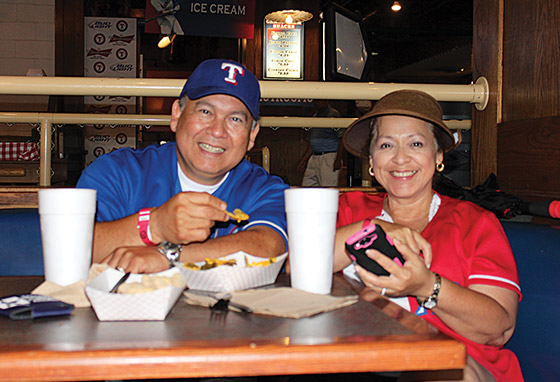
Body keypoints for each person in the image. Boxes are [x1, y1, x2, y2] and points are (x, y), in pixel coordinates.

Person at [334, 90, 522, 381]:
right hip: (356, 361)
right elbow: (296, 265)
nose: (400, 158)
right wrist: (374, 228)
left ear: (438, 157)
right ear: (371, 160)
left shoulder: (475, 223)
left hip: (459, 363)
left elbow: (499, 330)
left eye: (416, 143)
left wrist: (426, 286)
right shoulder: (348, 210)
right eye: (386, 145)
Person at [77, 59, 288, 274]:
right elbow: (71, 248)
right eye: (205, 112)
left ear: (252, 135)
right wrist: (154, 225)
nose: (217, 131)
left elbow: (270, 246)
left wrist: (169, 256)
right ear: (177, 115)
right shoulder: (118, 172)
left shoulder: (265, 189)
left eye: (235, 119)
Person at [297, 100, 344, 187]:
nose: (317, 102)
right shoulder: (315, 116)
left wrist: (337, 159)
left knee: (328, 189)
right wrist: (304, 159)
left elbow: (342, 138)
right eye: (316, 100)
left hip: (328, 156)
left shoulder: (333, 115)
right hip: (314, 157)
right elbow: (313, 141)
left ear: (326, 100)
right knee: (307, 187)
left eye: (320, 100)